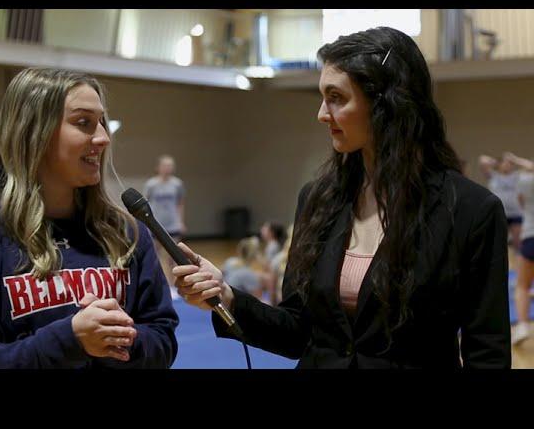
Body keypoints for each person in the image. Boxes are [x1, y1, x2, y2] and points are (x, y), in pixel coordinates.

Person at [172, 26, 511, 369]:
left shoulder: (472, 210)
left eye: (336, 97)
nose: (322, 114)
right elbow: (297, 332)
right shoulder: (318, 199)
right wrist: (226, 297)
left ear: (386, 103)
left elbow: (488, 354)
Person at [0, 68, 178, 369]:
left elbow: (163, 340)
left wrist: (119, 338)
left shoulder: (127, 233)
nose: (103, 138)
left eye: (102, 123)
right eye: (84, 123)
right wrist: (69, 340)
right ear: (33, 132)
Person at [144, 155, 186, 287]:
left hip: (172, 225)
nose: (168, 168)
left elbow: (180, 204)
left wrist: (181, 221)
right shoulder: (151, 184)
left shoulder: (177, 184)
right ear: (158, 167)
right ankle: (158, 284)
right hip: (156, 225)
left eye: (170, 165)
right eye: (165, 165)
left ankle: (174, 285)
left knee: (172, 257)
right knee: (154, 256)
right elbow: (145, 203)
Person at [507, 153, 534, 344]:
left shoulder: (523, 183)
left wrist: (515, 161)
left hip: (531, 236)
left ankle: (523, 325)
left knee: (522, 285)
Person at [479, 152, 523, 250]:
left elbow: (531, 167)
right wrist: (496, 162)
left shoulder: (517, 176)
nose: (507, 165)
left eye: (510, 163)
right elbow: (482, 159)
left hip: (515, 213)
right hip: (499, 213)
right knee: (498, 242)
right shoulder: (493, 175)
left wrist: (515, 159)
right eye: (505, 163)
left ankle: (517, 264)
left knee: (518, 243)